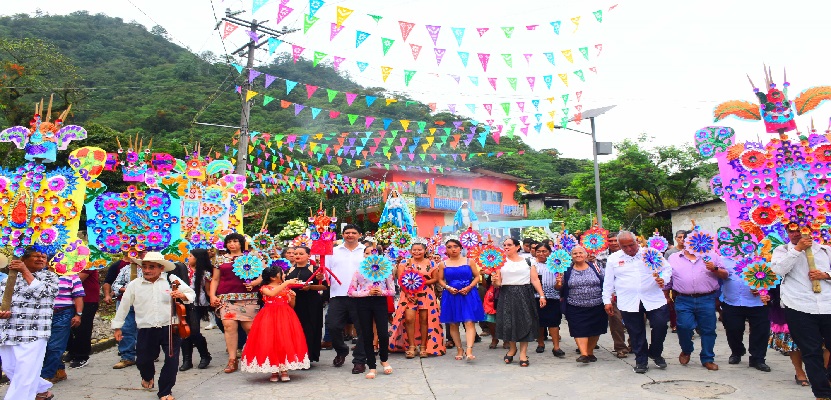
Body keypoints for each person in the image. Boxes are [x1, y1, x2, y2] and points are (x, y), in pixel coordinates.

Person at [112, 252, 195, 400]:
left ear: (161, 268)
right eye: (144, 266)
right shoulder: (134, 285)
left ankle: (165, 391)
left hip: (170, 327)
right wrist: (118, 327)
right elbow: (123, 307)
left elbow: (190, 293)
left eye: (151, 267)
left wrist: (182, 295)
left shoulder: (171, 280)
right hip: (146, 328)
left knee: (172, 360)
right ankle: (147, 375)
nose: (147, 270)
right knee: (143, 360)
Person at [771, 224, 831, 399]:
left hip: (828, 305)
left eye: (801, 230)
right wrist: (798, 250)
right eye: (792, 230)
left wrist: (825, 275)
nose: (797, 234)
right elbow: (779, 270)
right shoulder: (782, 250)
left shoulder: (825, 250)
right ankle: (822, 393)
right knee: (811, 351)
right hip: (799, 306)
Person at [603, 231, 672, 374]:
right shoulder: (614, 259)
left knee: (660, 325)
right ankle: (641, 360)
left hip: (653, 299)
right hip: (628, 300)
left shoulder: (651, 253)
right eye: (624, 246)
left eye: (631, 245)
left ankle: (655, 351)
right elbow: (608, 281)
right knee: (635, 332)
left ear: (637, 241)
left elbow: (667, 269)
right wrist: (607, 300)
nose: (629, 249)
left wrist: (663, 279)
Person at [0, 247, 60, 400]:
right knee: (10, 368)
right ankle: (40, 389)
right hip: (8, 332)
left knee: (25, 373)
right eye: (36, 256)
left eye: (43, 257)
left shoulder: (50, 277)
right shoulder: (8, 279)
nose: (41, 259)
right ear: (23, 259)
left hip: (34, 332)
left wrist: (25, 271)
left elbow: (44, 293)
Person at [240, 266, 309, 382]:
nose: (284, 276)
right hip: (269, 317)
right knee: (270, 341)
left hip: (285, 316)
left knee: (284, 340)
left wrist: (292, 298)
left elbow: (291, 305)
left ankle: (284, 369)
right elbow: (272, 294)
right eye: (281, 274)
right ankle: (274, 370)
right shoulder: (264, 288)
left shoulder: (285, 288)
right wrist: (286, 283)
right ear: (273, 277)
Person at [666, 243, 727, 371]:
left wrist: (714, 268)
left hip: (707, 298)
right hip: (683, 299)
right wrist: (666, 294)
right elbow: (669, 278)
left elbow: (725, 275)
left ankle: (707, 358)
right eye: (688, 241)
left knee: (708, 330)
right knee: (684, 326)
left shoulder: (712, 256)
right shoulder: (674, 257)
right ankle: (686, 349)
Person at [208, 233, 261, 374]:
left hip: (248, 297)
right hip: (226, 298)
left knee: (250, 328)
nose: (232, 244)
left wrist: (255, 282)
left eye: (235, 241)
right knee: (228, 327)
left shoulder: (252, 257)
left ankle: (255, 356)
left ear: (241, 243)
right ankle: (232, 359)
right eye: (229, 242)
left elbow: (263, 274)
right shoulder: (220, 259)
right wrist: (212, 295)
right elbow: (215, 279)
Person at [493, 238, 546, 367]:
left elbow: (535, 280)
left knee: (525, 322)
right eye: (504, 245)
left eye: (509, 245)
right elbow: (498, 284)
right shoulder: (500, 262)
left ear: (517, 247)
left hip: (524, 293)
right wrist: (494, 280)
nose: (506, 247)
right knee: (509, 323)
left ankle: (523, 353)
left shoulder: (528, 261)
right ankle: (512, 349)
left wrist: (542, 295)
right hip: (506, 294)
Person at [390, 242, 446, 358]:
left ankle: (423, 347)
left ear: (425, 250)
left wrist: (421, 282)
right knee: (409, 319)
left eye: (419, 250)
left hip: (426, 294)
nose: (417, 252)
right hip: (409, 294)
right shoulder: (405, 263)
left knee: (424, 319)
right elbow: (400, 280)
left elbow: (435, 278)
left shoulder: (431, 263)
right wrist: (407, 292)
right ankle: (411, 346)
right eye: (414, 250)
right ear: (410, 251)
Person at [324, 224, 367, 374]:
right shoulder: (332, 251)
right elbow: (326, 273)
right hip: (338, 294)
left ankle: (359, 361)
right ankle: (341, 350)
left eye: (353, 232)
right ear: (343, 235)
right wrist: (320, 276)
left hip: (361, 295)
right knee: (333, 325)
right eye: (347, 232)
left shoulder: (366, 251)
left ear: (359, 235)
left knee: (363, 329)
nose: (350, 235)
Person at [348, 252, 396, 379]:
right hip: (363, 303)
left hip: (380, 302)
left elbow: (392, 291)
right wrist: (366, 292)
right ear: (364, 255)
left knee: (383, 334)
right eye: (367, 253)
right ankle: (372, 366)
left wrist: (382, 291)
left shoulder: (386, 271)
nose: (370, 256)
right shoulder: (359, 272)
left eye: (373, 253)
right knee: (367, 334)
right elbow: (351, 291)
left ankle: (384, 359)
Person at [556, 246, 607, 363]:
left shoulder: (596, 267)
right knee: (578, 329)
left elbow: (606, 281)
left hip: (597, 304)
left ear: (585, 255)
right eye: (575, 254)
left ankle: (590, 352)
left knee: (595, 329)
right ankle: (583, 354)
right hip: (575, 305)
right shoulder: (566, 270)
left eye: (580, 253)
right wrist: (558, 282)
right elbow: (558, 288)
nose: (578, 255)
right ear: (571, 256)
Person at [720, 257, 771, 372]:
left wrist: (764, 290)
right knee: (733, 329)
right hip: (733, 301)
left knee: (761, 332)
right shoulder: (724, 258)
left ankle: (758, 359)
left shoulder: (761, 255)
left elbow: (772, 276)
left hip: (758, 303)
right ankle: (737, 351)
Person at [438, 238, 485, 361]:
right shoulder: (443, 264)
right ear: (446, 249)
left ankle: (469, 349)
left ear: (460, 248)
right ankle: (459, 349)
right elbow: (440, 280)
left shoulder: (469, 261)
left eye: (455, 246)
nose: (452, 249)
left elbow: (477, 276)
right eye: (449, 247)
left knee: (469, 321)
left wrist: (469, 287)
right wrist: (448, 287)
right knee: (453, 323)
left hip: (468, 294)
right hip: (451, 295)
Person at [285, 246, 327, 365]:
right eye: (295, 253)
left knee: (310, 329)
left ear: (309, 256)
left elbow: (324, 287)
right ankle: (295, 356)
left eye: (301, 253)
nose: (297, 255)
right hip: (293, 303)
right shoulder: (288, 270)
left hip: (311, 303)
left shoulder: (316, 270)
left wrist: (310, 287)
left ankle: (308, 356)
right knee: (294, 329)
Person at [40, 272, 84, 383]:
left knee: (55, 345)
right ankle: (59, 370)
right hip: (42, 314)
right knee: (44, 344)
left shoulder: (72, 276)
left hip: (63, 313)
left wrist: (78, 315)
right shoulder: (40, 275)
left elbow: (78, 296)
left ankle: (46, 376)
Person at [596, 232, 632, 358]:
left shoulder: (631, 254)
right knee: (615, 321)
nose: (612, 243)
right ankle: (620, 347)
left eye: (615, 241)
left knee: (636, 321)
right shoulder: (600, 257)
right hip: (613, 294)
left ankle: (634, 344)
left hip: (631, 293)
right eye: (610, 241)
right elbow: (600, 276)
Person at [768, 286, 811, 386]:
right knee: (792, 342)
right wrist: (766, 296)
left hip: (820, 305)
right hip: (787, 307)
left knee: (824, 342)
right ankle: (799, 372)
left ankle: (824, 373)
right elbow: (770, 288)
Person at [178, 249, 213, 371]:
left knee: (194, 330)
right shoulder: (182, 270)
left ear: (198, 258)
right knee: (184, 332)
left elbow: (208, 290)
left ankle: (205, 356)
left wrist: (214, 301)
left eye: (191, 256)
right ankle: (187, 360)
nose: (188, 257)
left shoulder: (205, 273)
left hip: (197, 303)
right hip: (182, 303)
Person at [106, 253, 139, 369]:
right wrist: (127, 289)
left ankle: (145, 354)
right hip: (125, 301)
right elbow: (115, 286)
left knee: (145, 328)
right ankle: (127, 356)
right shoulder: (125, 269)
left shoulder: (150, 269)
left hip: (143, 303)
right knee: (126, 328)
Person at [532, 243, 565, 357]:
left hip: (553, 297)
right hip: (536, 297)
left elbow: (558, 287)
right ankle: (540, 343)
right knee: (539, 322)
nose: (541, 254)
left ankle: (556, 347)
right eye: (539, 251)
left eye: (544, 251)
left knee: (554, 322)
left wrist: (559, 282)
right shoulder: (532, 264)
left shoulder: (557, 265)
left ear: (550, 253)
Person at [66, 268, 100, 369]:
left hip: (88, 299)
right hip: (70, 299)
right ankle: (72, 351)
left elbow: (78, 279)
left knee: (83, 327)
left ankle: (82, 356)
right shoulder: (69, 260)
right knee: (71, 327)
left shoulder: (88, 262)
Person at [664, 230, 688, 332]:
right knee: (676, 306)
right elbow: (665, 269)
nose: (682, 239)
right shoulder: (670, 253)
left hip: (689, 283)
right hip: (674, 285)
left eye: (684, 237)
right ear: (676, 238)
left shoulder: (693, 251)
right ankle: (677, 324)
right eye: (680, 237)